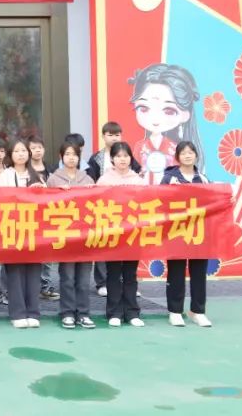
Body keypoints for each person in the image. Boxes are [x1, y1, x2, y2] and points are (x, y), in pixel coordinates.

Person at [86, 121, 141, 296]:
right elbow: (92, 180)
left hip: (129, 216)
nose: (114, 138)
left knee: (128, 248)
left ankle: (129, 284)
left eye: (117, 135)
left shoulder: (133, 170)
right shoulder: (96, 158)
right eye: (110, 135)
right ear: (103, 136)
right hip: (106, 213)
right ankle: (103, 283)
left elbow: (138, 173)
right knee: (104, 248)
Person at [162, 141, 213, 328]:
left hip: (199, 233)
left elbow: (214, 201)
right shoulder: (169, 178)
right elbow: (159, 201)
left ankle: (197, 311)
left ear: (196, 156)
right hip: (177, 232)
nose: (187, 155)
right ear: (177, 157)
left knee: (199, 273)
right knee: (176, 272)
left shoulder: (203, 179)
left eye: (191, 152)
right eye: (183, 153)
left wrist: (227, 199)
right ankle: (175, 311)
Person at [0, 139, 46, 328]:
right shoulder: (6, 175)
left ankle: (33, 312)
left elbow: (47, 202)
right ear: (11, 154)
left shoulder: (37, 175)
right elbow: (0, 200)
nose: (20, 154)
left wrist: (40, 191)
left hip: (34, 230)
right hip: (12, 228)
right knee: (15, 272)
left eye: (24, 150)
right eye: (16, 151)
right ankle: (17, 313)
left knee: (33, 271)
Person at [47, 140, 96, 329]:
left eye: (74, 154)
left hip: (85, 237)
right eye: (67, 154)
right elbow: (45, 205)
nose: (71, 158)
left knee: (83, 279)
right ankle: (67, 312)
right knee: (67, 277)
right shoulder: (54, 179)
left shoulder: (87, 179)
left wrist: (92, 193)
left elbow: (97, 206)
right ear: (61, 157)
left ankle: (83, 313)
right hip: (64, 236)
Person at [97, 141, 147, 328]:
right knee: (113, 274)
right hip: (112, 235)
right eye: (118, 156)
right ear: (112, 159)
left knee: (130, 274)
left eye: (126, 156)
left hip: (133, 234)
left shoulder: (139, 181)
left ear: (131, 158)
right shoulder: (104, 181)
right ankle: (114, 312)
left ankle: (132, 313)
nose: (122, 159)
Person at [129, 63, 202, 185]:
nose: (155, 118)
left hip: (170, 193)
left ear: (185, 114)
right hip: (144, 192)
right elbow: (133, 172)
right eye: (144, 108)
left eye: (169, 111)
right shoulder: (140, 147)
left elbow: (182, 175)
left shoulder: (176, 148)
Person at [28, 136, 59, 301]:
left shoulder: (51, 169)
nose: (37, 151)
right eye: (33, 148)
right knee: (30, 253)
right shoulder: (24, 169)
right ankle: (32, 286)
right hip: (28, 216)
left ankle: (45, 287)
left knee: (46, 254)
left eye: (39, 147)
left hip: (47, 216)